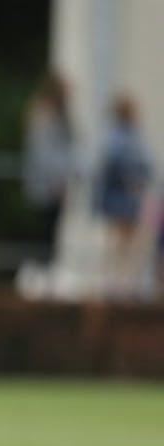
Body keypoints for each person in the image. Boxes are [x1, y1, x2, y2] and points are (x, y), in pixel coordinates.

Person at [94, 92, 155, 301]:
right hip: (122, 198)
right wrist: (133, 180)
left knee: (124, 242)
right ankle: (117, 284)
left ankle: (121, 283)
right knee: (120, 242)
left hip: (125, 198)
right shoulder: (121, 138)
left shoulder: (124, 136)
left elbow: (147, 166)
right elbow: (119, 166)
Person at [21, 72, 76, 263]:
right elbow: (44, 152)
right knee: (43, 230)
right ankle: (38, 267)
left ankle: (45, 267)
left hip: (55, 182)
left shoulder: (58, 115)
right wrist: (56, 179)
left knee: (50, 229)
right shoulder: (44, 115)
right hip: (47, 184)